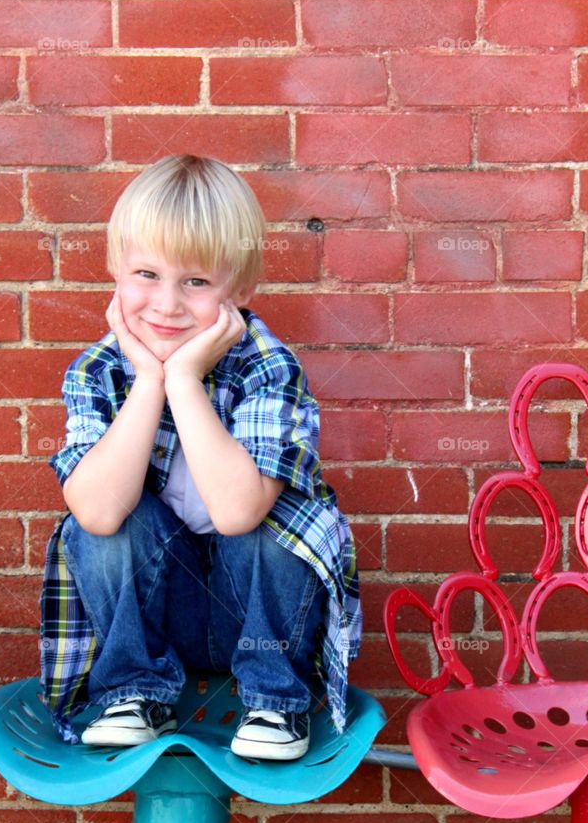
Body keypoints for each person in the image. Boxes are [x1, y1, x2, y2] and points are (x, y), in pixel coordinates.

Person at [40, 154, 361, 760]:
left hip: (260, 619)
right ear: (115, 269)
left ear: (238, 290)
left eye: (195, 282)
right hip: (160, 617)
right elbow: (99, 513)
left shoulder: (267, 366)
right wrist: (148, 382)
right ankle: (133, 693)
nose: (166, 305)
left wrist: (185, 379)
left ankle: (274, 703)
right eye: (146, 273)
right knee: (100, 522)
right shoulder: (101, 371)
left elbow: (239, 512)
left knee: (277, 524)